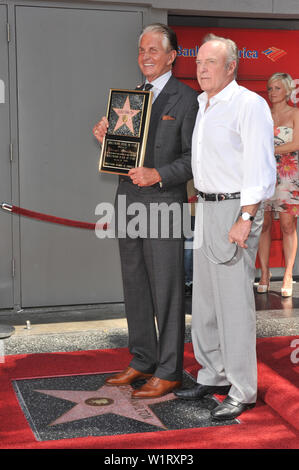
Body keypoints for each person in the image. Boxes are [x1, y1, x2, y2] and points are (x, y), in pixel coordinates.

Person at [93, 23, 198, 398]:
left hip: (164, 204)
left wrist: (159, 174)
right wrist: (108, 137)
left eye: (154, 50)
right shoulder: (130, 98)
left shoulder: (187, 99)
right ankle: (142, 358)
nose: (146, 56)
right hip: (127, 202)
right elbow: (125, 154)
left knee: (167, 289)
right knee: (135, 284)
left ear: (172, 56)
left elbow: (194, 161)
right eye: (141, 50)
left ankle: (170, 369)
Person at [174, 34, 276, 421]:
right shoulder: (203, 104)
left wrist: (245, 218)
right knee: (205, 303)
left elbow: (261, 168)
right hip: (207, 207)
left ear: (231, 66)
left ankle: (243, 388)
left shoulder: (248, 105)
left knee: (233, 305)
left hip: (236, 208)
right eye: (199, 61)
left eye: (211, 62)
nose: (201, 68)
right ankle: (213, 374)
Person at [257, 73, 299, 297]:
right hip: (263, 174)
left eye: (276, 88)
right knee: (263, 225)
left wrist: (269, 150)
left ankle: (288, 274)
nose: (272, 93)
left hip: (288, 174)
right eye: (269, 88)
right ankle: (264, 274)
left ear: (287, 90)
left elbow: (296, 143)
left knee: (287, 226)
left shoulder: (295, 113)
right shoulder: (262, 115)